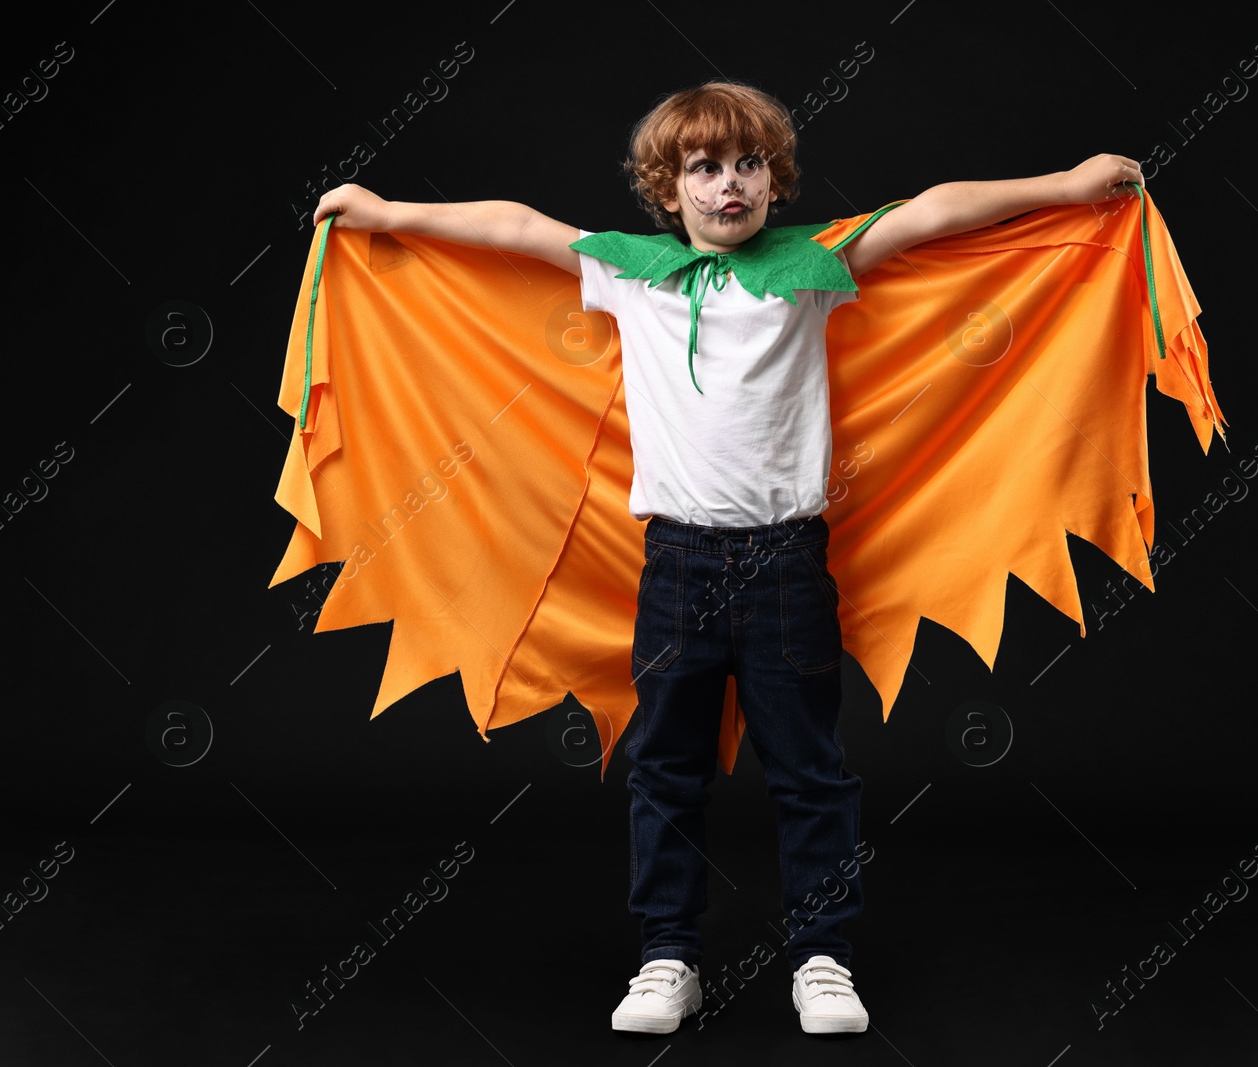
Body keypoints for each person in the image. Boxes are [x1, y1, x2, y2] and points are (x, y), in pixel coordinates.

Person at [311, 79, 1145, 1037]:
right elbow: (516, 225)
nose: (729, 186)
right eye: (704, 169)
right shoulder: (635, 275)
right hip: (676, 568)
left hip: (788, 565)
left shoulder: (815, 265)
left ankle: (821, 956)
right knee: (666, 767)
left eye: (748, 165)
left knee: (811, 767)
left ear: (775, 180)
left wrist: (1068, 185)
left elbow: (933, 209)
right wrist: (385, 213)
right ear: (669, 190)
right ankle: (668, 956)